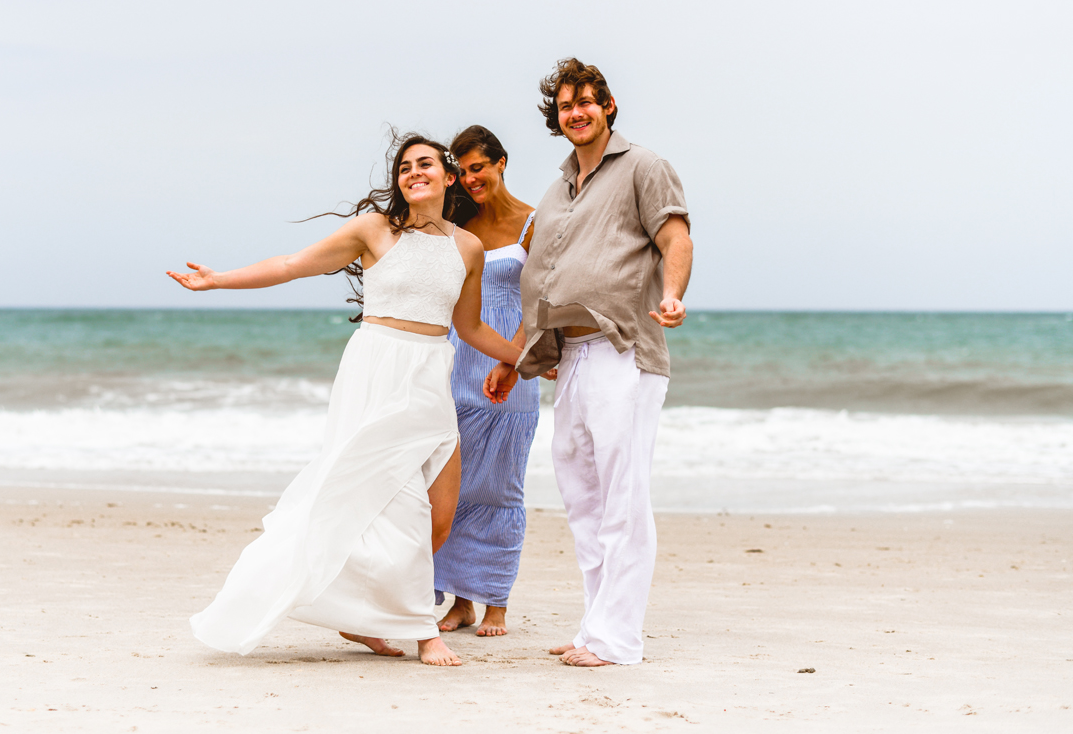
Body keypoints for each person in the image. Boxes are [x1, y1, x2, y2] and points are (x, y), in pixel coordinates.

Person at [168, 133, 522, 667]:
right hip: (377, 370)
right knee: (401, 504)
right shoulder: (374, 229)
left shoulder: (467, 247)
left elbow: (469, 326)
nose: (413, 173)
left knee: (441, 514)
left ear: (449, 178)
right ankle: (423, 630)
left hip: (430, 375)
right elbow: (291, 264)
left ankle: (368, 617)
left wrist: (524, 355)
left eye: (425, 164)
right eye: (405, 167)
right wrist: (219, 280)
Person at [485, 58, 693, 667]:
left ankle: (618, 639)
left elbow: (675, 237)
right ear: (557, 116)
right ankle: (594, 626)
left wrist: (672, 293)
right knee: (583, 499)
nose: (575, 112)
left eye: (586, 101)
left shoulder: (644, 167)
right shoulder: (555, 192)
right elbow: (540, 278)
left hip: (622, 351)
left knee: (622, 498)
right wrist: (516, 357)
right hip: (567, 356)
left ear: (608, 107)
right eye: (565, 104)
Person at [432, 125, 551, 638]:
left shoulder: (535, 223)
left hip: (514, 361)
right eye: (461, 170)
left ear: (501, 162)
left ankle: (495, 600)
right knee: (452, 482)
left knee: (501, 485)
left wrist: (516, 357)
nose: (469, 178)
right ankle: (459, 601)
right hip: (459, 358)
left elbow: (542, 295)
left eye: (478, 166)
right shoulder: (456, 220)